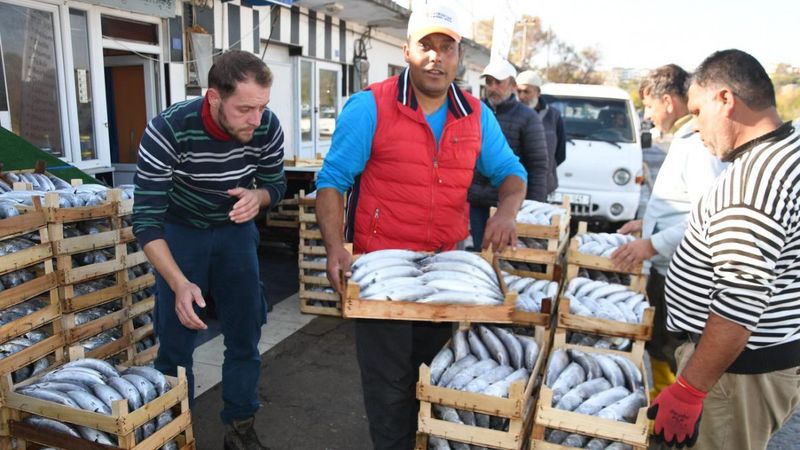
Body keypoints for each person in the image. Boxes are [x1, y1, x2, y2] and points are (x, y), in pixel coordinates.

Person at [314, 3, 528, 448]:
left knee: (435, 378)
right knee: (388, 385)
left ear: (459, 56)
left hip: (445, 271)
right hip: (382, 272)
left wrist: (506, 212)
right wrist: (336, 247)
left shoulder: (475, 114)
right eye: (426, 46)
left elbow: (512, 172)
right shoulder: (369, 107)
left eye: (445, 48)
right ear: (407, 50)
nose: (436, 57)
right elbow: (333, 182)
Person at [133, 50, 286, 450]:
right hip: (180, 232)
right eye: (245, 109)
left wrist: (260, 196)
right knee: (176, 337)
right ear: (213, 98)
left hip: (235, 231)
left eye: (263, 106)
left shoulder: (266, 125)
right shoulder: (168, 129)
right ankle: (173, 430)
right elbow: (146, 221)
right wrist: (180, 283)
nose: (257, 119)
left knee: (244, 333)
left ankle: (239, 426)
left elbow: (276, 183)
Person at [650, 49, 800, 449]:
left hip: (734, 377)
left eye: (697, 112)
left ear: (726, 100)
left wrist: (689, 389)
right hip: (759, 362)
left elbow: (740, 297)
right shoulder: (789, 146)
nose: (695, 128)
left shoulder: (755, 183)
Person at [610, 64, 726, 399]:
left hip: (682, 270)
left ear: (666, 100)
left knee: (672, 349)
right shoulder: (685, 138)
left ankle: (671, 419)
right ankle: (663, 411)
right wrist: (645, 223)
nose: (647, 115)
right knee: (660, 345)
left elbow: (708, 214)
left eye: (648, 106)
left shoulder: (697, 144)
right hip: (668, 265)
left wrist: (653, 243)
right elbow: (680, 202)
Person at [468, 59, 548, 248]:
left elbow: (537, 165)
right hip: (478, 201)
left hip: (510, 205)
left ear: (512, 85)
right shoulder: (474, 112)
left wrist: (531, 207)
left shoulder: (528, 118)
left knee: (506, 260)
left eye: (498, 82)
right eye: (488, 82)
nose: (492, 87)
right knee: (481, 252)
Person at [516, 70, 566, 196]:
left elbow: (560, 154)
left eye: (526, 91)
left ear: (538, 92)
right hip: (513, 184)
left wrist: (545, 170)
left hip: (541, 185)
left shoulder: (553, 116)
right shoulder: (510, 114)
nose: (522, 96)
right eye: (519, 91)